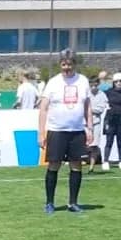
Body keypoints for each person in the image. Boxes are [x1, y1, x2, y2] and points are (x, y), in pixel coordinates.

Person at [38, 49, 91, 214]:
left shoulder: (83, 81)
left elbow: (87, 106)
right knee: (54, 165)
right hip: (57, 131)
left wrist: (89, 128)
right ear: (60, 65)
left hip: (76, 131)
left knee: (76, 166)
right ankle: (49, 203)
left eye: (69, 64)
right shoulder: (53, 82)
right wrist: (41, 133)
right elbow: (43, 109)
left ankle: (73, 203)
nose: (66, 67)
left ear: (74, 64)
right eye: (63, 64)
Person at [102, 72, 121, 171]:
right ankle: (106, 161)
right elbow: (98, 95)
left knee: (120, 141)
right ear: (113, 82)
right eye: (116, 81)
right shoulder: (108, 92)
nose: (118, 83)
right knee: (109, 140)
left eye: (120, 81)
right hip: (111, 118)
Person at [87, 76, 108, 173]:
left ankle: (91, 167)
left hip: (96, 123)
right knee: (82, 145)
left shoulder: (102, 95)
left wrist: (89, 109)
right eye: (91, 84)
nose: (93, 86)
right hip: (84, 123)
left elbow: (101, 109)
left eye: (95, 84)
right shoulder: (85, 93)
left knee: (94, 145)